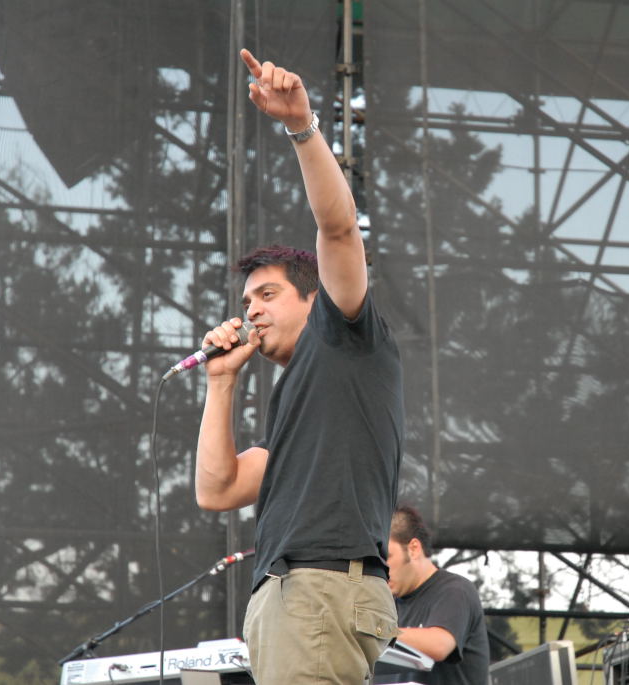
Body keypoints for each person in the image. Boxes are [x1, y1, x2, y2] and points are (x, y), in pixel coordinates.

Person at [193, 48, 402, 684]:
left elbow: (338, 230)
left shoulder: (341, 335)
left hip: (317, 589)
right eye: (246, 301)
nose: (251, 310)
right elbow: (217, 490)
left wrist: (301, 126)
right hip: (296, 596)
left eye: (267, 294)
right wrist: (221, 382)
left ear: (314, 299)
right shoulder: (298, 400)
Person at [381, 504, 490, 685]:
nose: (380, 569)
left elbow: (440, 644)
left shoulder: (455, 590)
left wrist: (376, 634)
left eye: (386, 557)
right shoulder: (385, 605)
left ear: (414, 548)